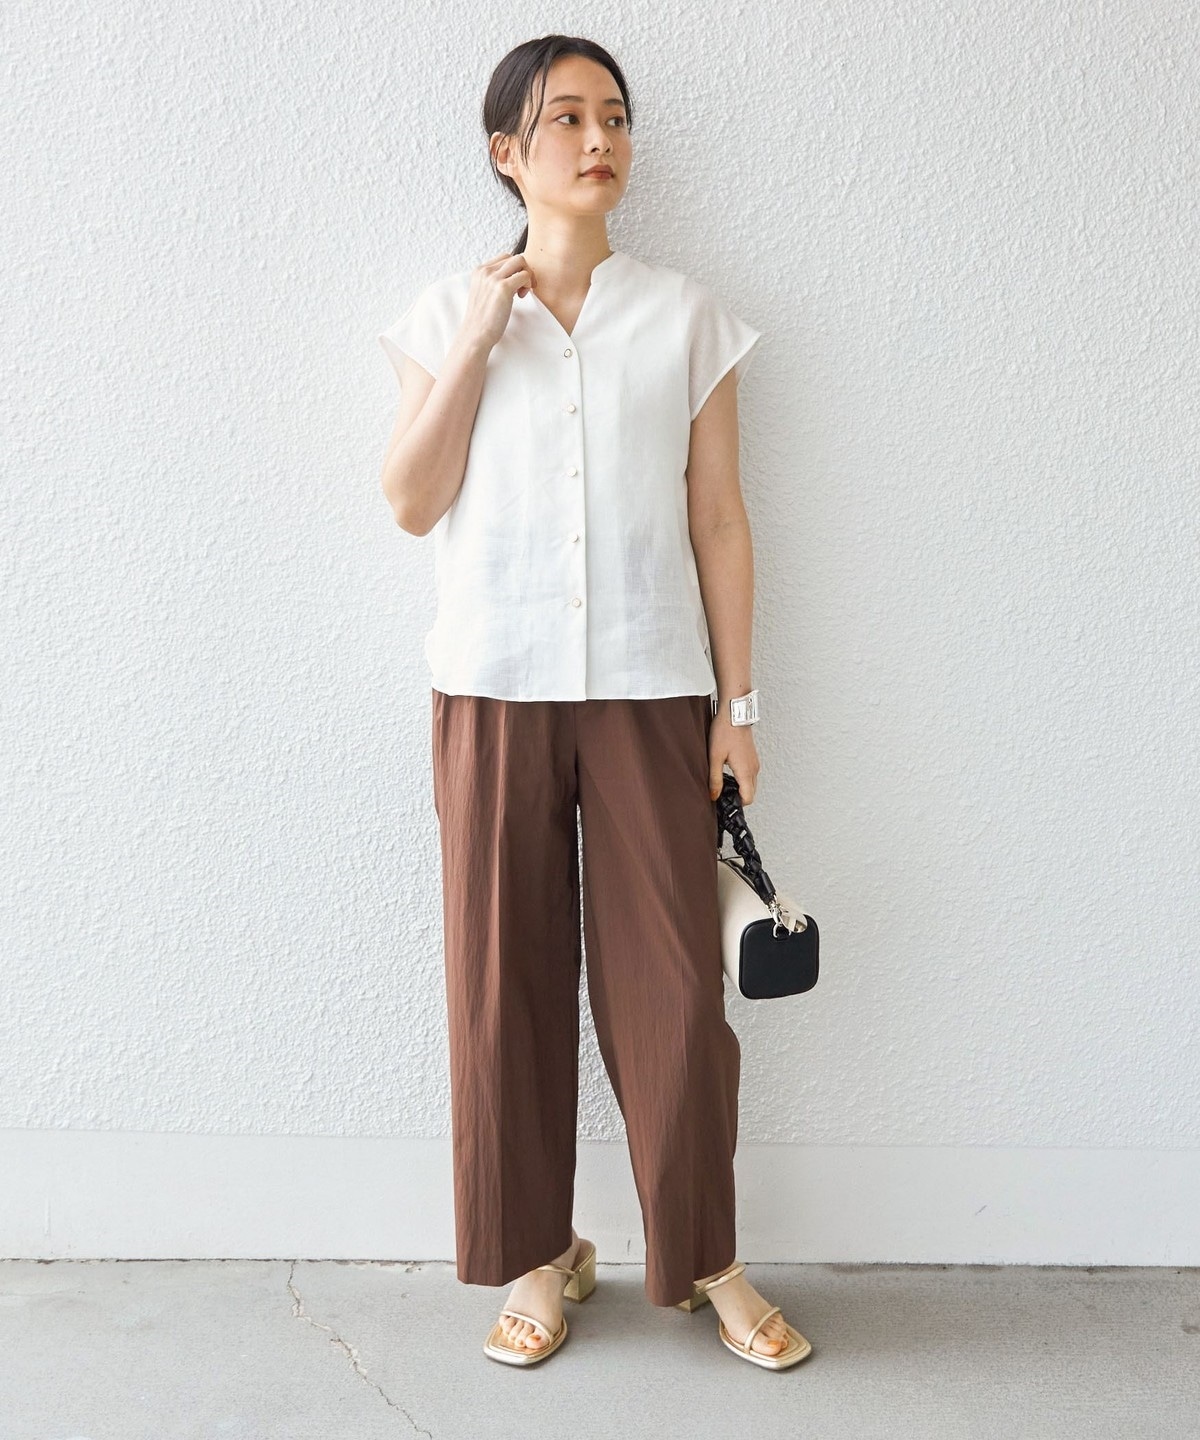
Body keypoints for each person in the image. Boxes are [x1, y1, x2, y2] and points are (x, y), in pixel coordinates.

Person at [377, 34, 810, 1372]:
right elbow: (410, 501)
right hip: (493, 688)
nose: (597, 138)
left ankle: (705, 1256)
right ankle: (537, 1253)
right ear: (507, 153)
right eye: (563, 118)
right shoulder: (444, 316)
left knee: (674, 990)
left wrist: (738, 708)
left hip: (647, 688)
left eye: (613, 116)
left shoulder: (686, 319)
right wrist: (479, 339)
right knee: (501, 985)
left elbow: (720, 519)